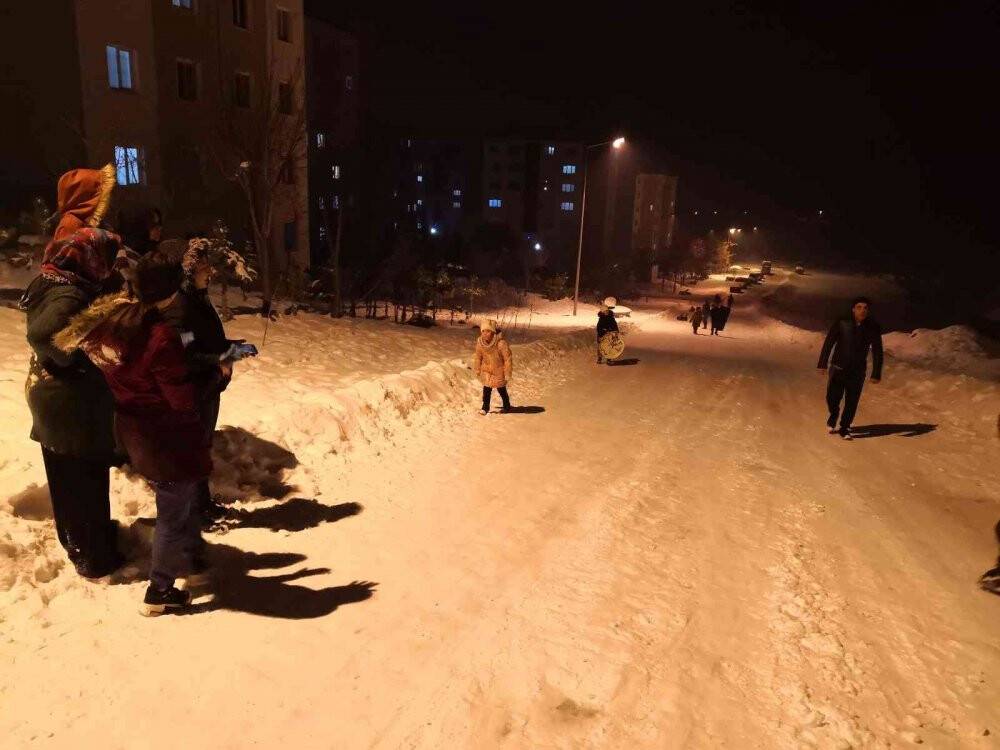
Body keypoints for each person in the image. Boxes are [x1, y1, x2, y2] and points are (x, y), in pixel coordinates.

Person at [56, 253, 211, 615]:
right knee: (173, 511)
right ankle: (159, 590)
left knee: (178, 503)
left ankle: (190, 557)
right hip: (166, 437)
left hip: (135, 430)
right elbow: (180, 398)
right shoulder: (159, 337)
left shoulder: (113, 327)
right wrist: (212, 376)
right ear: (170, 294)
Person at [20, 164, 125, 579]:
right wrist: (78, 357)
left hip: (61, 400)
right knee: (78, 476)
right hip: (67, 401)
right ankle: (91, 552)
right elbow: (47, 332)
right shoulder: (73, 261)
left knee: (75, 476)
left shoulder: (70, 259)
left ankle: (87, 541)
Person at [161, 240, 252, 525]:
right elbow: (185, 353)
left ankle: (201, 505)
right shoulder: (182, 304)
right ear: (189, 269)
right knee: (194, 448)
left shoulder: (200, 296)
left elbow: (207, 339)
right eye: (204, 266)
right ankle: (194, 512)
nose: (210, 270)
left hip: (209, 384)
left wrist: (231, 348)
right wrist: (220, 359)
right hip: (194, 387)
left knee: (201, 445)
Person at [817, 296, 884, 440]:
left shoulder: (872, 327)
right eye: (859, 307)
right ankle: (834, 414)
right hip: (838, 368)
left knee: (852, 401)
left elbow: (878, 350)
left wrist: (876, 373)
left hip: (857, 371)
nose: (862, 310)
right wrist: (822, 364)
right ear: (853, 309)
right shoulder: (842, 322)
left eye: (865, 308)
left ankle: (845, 427)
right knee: (832, 398)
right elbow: (829, 343)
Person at [473, 318, 512, 415]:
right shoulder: (480, 343)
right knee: (486, 389)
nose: (485, 333)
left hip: (499, 370)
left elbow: (507, 359)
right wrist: (477, 368)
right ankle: (485, 408)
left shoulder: (500, 343)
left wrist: (507, 372)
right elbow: (478, 357)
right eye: (483, 331)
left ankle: (506, 405)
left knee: (501, 389)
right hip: (487, 370)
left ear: (493, 332)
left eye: (488, 331)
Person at [596, 298, 619, 364]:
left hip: (610, 334)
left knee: (609, 346)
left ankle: (609, 358)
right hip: (602, 334)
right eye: (604, 311)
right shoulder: (601, 319)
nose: (605, 312)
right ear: (602, 312)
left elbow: (614, 325)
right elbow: (599, 327)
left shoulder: (611, 317)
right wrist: (602, 332)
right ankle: (599, 358)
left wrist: (615, 331)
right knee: (601, 346)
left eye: (606, 311)